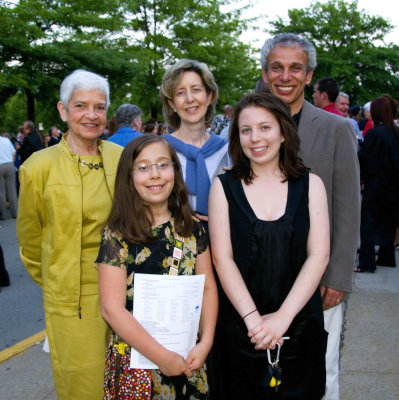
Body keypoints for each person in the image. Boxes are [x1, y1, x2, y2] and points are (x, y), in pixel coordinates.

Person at [209, 92, 330, 399]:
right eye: (245, 130)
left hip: (299, 324)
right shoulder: (223, 187)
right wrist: (255, 322)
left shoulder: (311, 185)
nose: (255, 138)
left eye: (265, 127)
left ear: (283, 133)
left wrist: (281, 319)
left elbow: (319, 255)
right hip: (240, 328)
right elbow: (223, 259)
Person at [260, 33, 360, 400]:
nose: (285, 76)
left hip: (318, 276)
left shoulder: (336, 129)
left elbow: (348, 206)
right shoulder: (248, 123)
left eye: (295, 68)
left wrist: (338, 275)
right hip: (260, 270)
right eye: (277, 67)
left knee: (322, 368)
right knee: (264, 370)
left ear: (308, 75)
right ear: (265, 72)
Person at [16, 69, 123, 399]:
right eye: (81, 106)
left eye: (99, 107)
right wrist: (58, 282)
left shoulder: (123, 159)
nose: (91, 115)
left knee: (127, 385)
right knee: (84, 387)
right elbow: (31, 242)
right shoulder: (37, 167)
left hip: (126, 295)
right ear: (63, 111)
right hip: (72, 302)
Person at [96, 134, 217, 399]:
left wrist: (206, 342)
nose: (155, 175)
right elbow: (111, 308)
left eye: (163, 164)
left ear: (175, 170)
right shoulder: (117, 234)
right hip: (135, 364)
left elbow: (207, 287)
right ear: (128, 177)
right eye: (143, 167)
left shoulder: (192, 228)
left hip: (187, 356)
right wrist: (161, 356)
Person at [159, 59, 230, 220]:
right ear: (172, 104)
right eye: (180, 93)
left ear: (209, 96)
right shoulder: (159, 150)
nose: (189, 99)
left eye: (196, 89)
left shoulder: (228, 152)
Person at [356, 96, 399, 272]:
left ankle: (367, 262)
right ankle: (386, 257)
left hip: (376, 184)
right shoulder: (395, 132)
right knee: (389, 219)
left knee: (368, 222)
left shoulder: (375, 133)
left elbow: (366, 159)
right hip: (393, 184)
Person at [0, 135, 18, 219]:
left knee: (1, 191)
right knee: (12, 190)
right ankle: (15, 213)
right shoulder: (6, 140)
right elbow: (14, 153)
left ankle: (3, 215)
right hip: (9, 164)